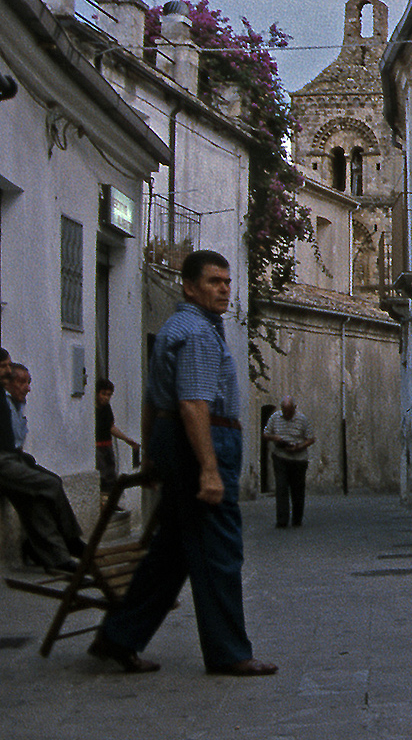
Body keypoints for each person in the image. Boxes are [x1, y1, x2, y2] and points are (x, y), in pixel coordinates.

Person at [92, 250, 277, 676]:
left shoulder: (181, 327)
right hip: (203, 440)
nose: (224, 289)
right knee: (219, 549)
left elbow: (154, 401)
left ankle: (118, 637)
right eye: (213, 282)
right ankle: (230, 652)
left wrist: (155, 454)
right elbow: (192, 404)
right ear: (189, 286)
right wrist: (209, 469)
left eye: (227, 282)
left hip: (180, 440)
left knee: (172, 550)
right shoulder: (195, 332)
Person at [0, 355, 87, 572]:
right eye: (4, 366)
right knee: (50, 485)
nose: (7, 371)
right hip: (3, 461)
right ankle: (70, 539)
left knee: (36, 498)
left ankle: (54, 556)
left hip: (12, 458)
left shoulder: (12, 403)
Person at [261, 395, 315, 529]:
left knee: (297, 490)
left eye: (289, 411)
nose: (286, 414)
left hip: (298, 459)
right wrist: (276, 438)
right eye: (284, 411)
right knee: (281, 487)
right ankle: (282, 520)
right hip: (280, 456)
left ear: (294, 409)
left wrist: (299, 447)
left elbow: (311, 438)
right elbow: (265, 434)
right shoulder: (275, 418)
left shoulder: (302, 419)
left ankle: (297, 519)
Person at [94, 379, 140, 501]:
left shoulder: (106, 408)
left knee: (110, 477)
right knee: (102, 477)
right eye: (103, 394)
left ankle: (110, 504)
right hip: (97, 448)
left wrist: (126, 439)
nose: (106, 398)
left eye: (109, 395)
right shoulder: (92, 410)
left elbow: (111, 427)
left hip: (107, 446)